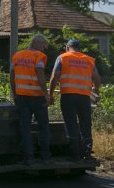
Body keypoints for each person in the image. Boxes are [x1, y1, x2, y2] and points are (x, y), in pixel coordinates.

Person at [48, 39, 101, 162]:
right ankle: (87, 153)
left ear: (67, 47)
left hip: (68, 96)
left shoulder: (62, 58)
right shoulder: (88, 59)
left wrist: (50, 95)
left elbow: (54, 77)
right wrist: (95, 89)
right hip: (84, 97)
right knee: (85, 123)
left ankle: (74, 154)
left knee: (71, 123)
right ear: (79, 48)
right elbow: (97, 78)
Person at [10, 35, 51, 165]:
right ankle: (45, 157)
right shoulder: (38, 56)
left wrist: (15, 94)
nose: (43, 49)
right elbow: (39, 73)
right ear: (38, 43)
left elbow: (12, 76)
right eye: (43, 46)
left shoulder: (17, 56)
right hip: (37, 96)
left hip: (22, 96)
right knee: (43, 127)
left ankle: (28, 157)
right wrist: (46, 94)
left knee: (25, 127)